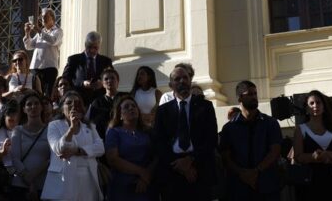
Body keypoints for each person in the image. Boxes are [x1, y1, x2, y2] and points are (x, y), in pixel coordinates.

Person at [152, 64, 218, 201]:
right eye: (177, 79)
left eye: (185, 78)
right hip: (172, 169)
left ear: (190, 81)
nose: (182, 81)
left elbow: (211, 138)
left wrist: (190, 160)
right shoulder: (162, 110)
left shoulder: (205, 107)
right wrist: (180, 165)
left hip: (199, 169)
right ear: (171, 85)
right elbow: (159, 142)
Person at [219, 80, 282, 201]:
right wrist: (242, 174)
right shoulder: (229, 128)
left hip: (267, 185)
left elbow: (275, 151)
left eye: (255, 93)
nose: (254, 97)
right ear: (240, 98)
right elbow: (226, 156)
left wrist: (256, 171)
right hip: (238, 188)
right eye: (249, 94)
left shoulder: (270, 123)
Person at [43, 91, 105, 200]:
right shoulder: (54, 125)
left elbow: (100, 148)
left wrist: (78, 151)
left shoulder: (89, 126)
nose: (73, 105)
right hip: (64, 181)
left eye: (77, 103)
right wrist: (71, 129)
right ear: (62, 108)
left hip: (87, 181)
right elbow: (59, 149)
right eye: (69, 103)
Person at [294, 89, 332, 201]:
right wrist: (314, 157)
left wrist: (331, 156)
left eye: (318, 102)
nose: (315, 105)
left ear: (324, 106)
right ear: (306, 108)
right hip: (311, 183)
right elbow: (298, 157)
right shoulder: (300, 129)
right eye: (311, 103)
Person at [106, 94, 157, 201]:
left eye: (133, 106)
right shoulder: (114, 132)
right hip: (122, 188)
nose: (131, 108)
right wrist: (141, 172)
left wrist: (145, 177)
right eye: (126, 107)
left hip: (146, 186)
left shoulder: (148, 132)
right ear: (120, 115)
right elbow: (113, 159)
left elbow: (156, 157)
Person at [11, 91, 52, 200]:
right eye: (29, 104)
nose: (33, 106)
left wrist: (32, 177)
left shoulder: (50, 130)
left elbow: (51, 158)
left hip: (44, 186)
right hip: (20, 185)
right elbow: (15, 158)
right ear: (24, 109)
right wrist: (27, 179)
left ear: (42, 107)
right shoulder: (17, 130)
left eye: (36, 103)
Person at [62, 31, 113, 104]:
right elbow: (65, 79)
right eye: (89, 47)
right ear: (85, 45)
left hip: (100, 101)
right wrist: (82, 83)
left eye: (95, 47)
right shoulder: (74, 60)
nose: (92, 50)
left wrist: (102, 83)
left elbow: (112, 78)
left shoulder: (106, 61)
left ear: (99, 46)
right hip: (79, 100)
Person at [24, 8, 63, 93]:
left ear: (52, 18)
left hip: (49, 67)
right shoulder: (40, 33)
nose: (42, 19)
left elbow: (53, 41)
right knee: (34, 93)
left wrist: (38, 30)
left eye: (45, 16)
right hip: (35, 67)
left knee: (47, 94)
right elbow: (29, 46)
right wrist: (27, 33)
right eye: (41, 17)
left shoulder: (58, 31)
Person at [87, 67, 123, 139]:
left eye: (112, 78)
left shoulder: (125, 97)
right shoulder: (97, 103)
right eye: (106, 79)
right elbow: (93, 124)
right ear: (102, 83)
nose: (109, 81)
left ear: (118, 81)